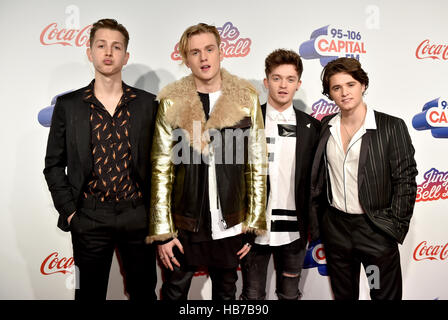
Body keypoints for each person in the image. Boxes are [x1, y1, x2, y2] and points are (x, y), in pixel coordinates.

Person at [146, 23, 267, 300]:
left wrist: (253, 224)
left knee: (226, 293)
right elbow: (161, 167)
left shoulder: (245, 98)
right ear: (185, 59)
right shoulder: (171, 102)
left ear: (221, 52)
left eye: (209, 49)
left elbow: (256, 164)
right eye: (195, 52)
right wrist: (163, 231)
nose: (204, 58)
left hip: (231, 222)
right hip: (184, 222)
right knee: (174, 292)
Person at [43, 18, 158, 300]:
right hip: (89, 216)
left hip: (138, 216)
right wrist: (72, 213)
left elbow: (161, 163)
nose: (109, 52)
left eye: (116, 47)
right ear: (90, 52)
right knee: (89, 295)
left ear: (126, 56)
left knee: (144, 294)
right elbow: (54, 165)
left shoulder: (147, 104)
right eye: (102, 45)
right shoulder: (69, 106)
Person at [309, 57, 418, 300]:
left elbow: (406, 181)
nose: (344, 93)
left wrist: (390, 228)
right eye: (336, 88)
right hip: (336, 230)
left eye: (350, 84)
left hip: (374, 232)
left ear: (363, 85)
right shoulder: (326, 126)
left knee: (381, 294)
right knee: (344, 297)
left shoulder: (390, 127)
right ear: (329, 93)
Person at [240, 49, 320, 300]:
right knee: (252, 296)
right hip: (253, 229)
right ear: (266, 82)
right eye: (276, 78)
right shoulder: (245, 123)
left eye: (290, 79)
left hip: (295, 230)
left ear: (298, 84)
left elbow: (316, 181)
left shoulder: (312, 127)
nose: (283, 85)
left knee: (289, 295)